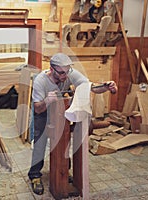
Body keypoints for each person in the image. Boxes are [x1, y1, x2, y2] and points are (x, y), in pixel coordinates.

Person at [28, 53, 117, 195]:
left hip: (60, 109)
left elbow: (89, 87)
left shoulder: (69, 73)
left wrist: (106, 87)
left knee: (63, 142)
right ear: (52, 69)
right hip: (43, 110)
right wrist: (47, 101)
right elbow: (37, 107)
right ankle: (34, 175)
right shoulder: (41, 81)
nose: (65, 75)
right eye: (61, 72)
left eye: (67, 71)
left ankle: (63, 171)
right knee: (40, 143)